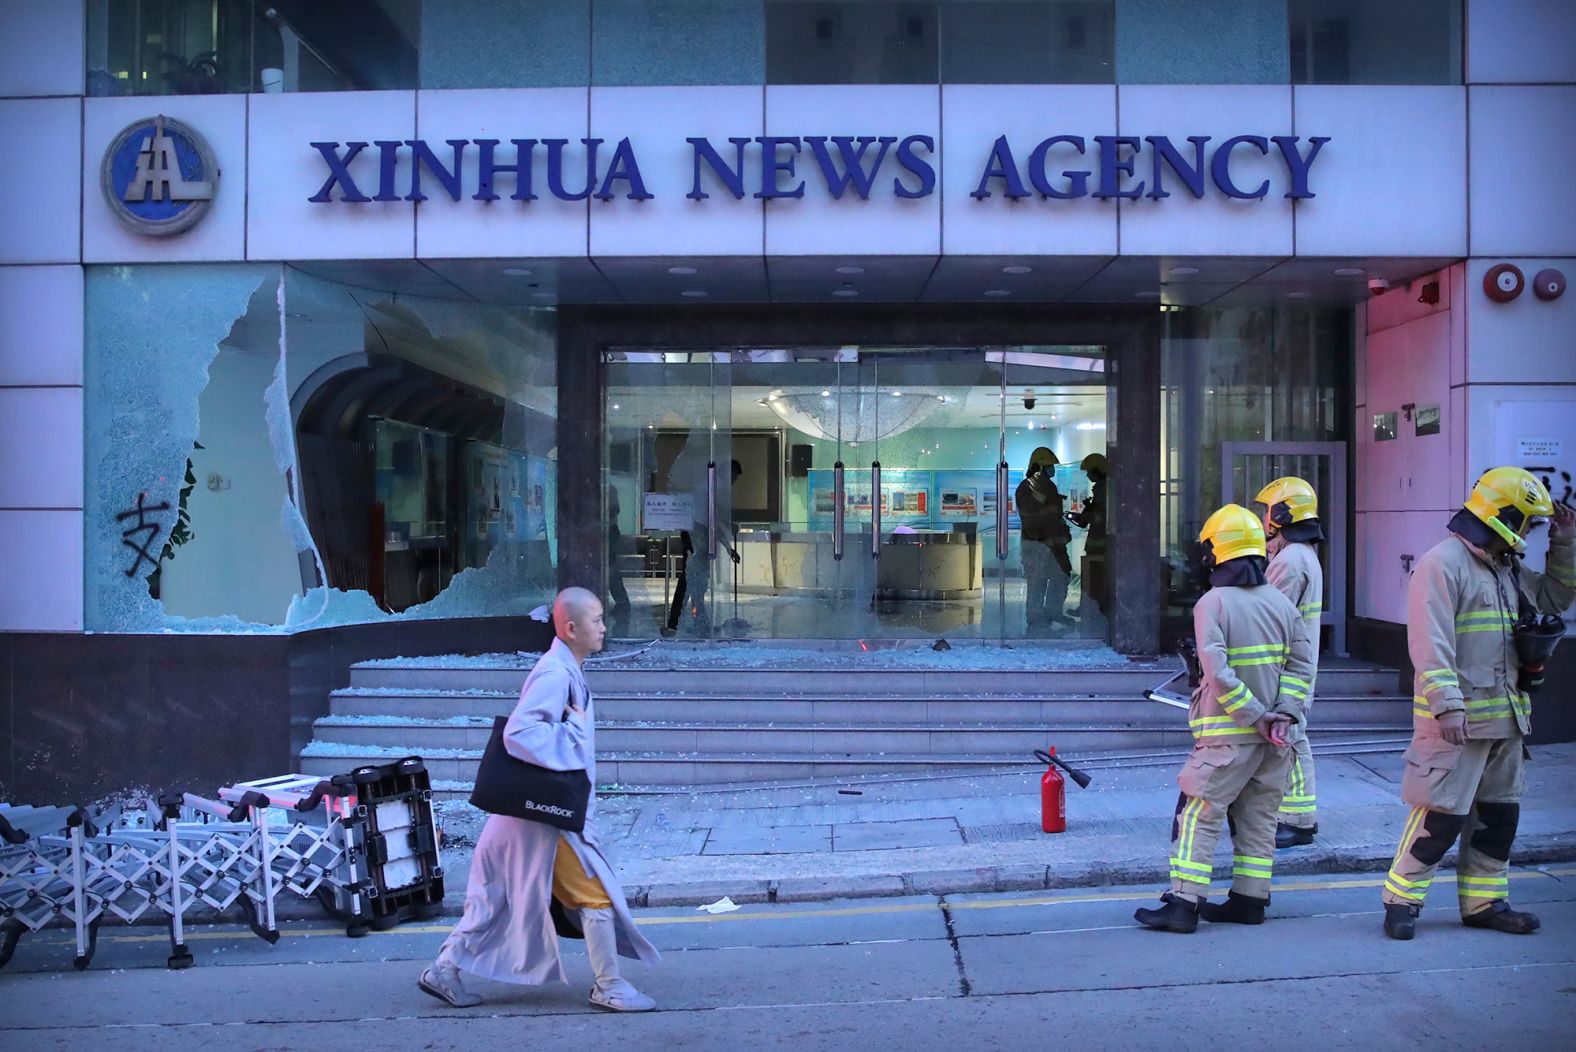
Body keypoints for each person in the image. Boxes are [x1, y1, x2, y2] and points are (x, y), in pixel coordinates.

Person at [419, 587, 660, 1010]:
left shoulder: (564, 668)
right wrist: (573, 732)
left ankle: (443, 970)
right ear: (571, 628)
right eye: (597, 620)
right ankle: (609, 986)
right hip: (545, 820)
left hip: (526, 815)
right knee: (594, 896)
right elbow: (520, 733)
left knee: (497, 898)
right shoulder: (555, 674)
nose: (604, 627)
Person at [1381, 468, 1575, 940]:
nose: (1529, 533)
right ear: (1505, 516)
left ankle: (1485, 903)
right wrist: (1447, 706)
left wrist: (1565, 543)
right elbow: (1430, 643)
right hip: (1457, 724)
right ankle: (1401, 900)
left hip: (1506, 721)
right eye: (1528, 523)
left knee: (1497, 819)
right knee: (1439, 817)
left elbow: (1555, 596)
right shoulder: (1442, 563)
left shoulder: (1503, 566)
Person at [1134, 504, 1315, 933]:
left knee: (1198, 814)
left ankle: (1183, 903)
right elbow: (1300, 668)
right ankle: (1249, 901)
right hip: (1274, 742)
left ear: (1217, 552)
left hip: (1227, 738)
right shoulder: (1280, 604)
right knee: (1258, 820)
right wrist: (1282, 716)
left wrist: (1256, 716)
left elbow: (1217, 675)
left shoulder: (1211, 604)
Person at [1252, 477, 1326, 849]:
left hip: (1285, 668)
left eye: (1268, 512)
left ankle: (1298, 820)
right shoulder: (1302, 555)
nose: (1264, 521)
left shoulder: (1290, 561)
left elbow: (1268, 616)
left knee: (1289, 738)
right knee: (1292, 737)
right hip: (1296, 664)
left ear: (1282, 514)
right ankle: (1294, 815)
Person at [664, 458, 742, 635]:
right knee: (691, 579)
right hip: (694, 535)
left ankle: (692, 621)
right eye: (733, 477)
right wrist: (729, 539)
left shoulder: (711, 488)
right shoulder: (709, 488)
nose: (733, 482)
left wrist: (729, 549)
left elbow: (715, 524)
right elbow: (716, 521)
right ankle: (678, 622)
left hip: (697, 535)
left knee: (696, 580)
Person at [1016, 447, 1073, 627]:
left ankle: (1053, 612)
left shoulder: (1047, 486)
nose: (1052, 470)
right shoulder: (1028, 487)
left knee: (1061, 577)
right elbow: (1034, 518)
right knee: (1037, 582)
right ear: (1039, 466)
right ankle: (1035, 617)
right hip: (1037, 545)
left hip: (1053, 545)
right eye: (1049, 466)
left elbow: (1053, 516)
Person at [1067, 453, 1109, 617]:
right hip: (1096, 544)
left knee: (1095, 579)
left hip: (1100, 544)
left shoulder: (1105, 490)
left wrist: (1087, 515)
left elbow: (1103, 517)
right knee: (1092, 578)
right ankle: (1089, 608)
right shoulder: (1101, 489)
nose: (1088, 475)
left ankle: (1091, 608)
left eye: (1090, 471)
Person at [605, 484, 630, 616]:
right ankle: (621, 601)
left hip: (609, 529)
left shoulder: (609, 488)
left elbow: (615, 509)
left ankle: (622, 601)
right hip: (604, 529)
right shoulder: (607, 487)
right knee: (608, 567)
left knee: (610, 567)